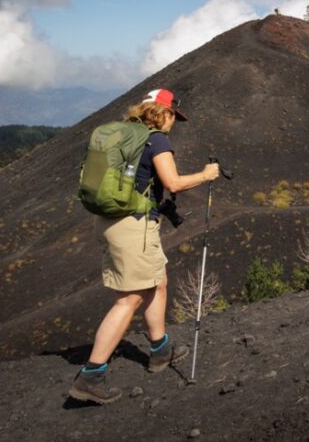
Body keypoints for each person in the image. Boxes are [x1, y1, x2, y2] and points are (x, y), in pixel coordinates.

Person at [69, 88, 220, 404]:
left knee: (158, 281)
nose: (173, 123)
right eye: (172, 117)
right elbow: (174, 183)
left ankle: (160, 349)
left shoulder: (128, 137)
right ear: (163, 113)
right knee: (130, 298)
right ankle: (91, 375)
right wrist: (207, 175)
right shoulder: (158, 140)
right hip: (132, 226)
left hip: (111, 220)